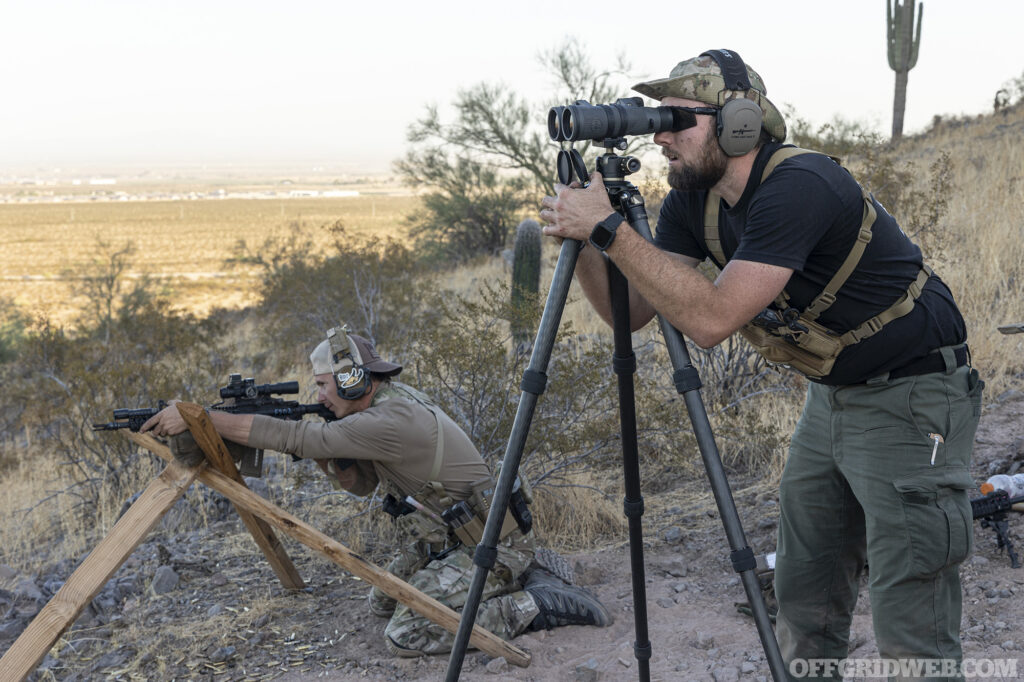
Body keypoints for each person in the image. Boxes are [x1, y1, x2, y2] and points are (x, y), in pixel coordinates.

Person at [540, 49, 982, 681]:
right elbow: (629, 311)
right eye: (656, 120)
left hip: (913, 395)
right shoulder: (698, 202)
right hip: (832, 395)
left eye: (677, 118)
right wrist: (584, 238)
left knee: (910, 602)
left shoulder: (800, 185)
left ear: (739, 122)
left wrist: (610, 229)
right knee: (805, 590)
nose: (660, 134)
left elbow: (713, 319)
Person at [141, 325, 611, 657]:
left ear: (353, 378)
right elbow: (361, 485)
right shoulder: (384, 408)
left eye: (325, 385)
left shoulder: (390, 418)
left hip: (491, 546)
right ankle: (527, 574)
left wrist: (200, 416)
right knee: (382, 601)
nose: (321, 396)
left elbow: (298, 438)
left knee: (406, 634)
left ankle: (535, 603)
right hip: (464, 539)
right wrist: (337, 463)